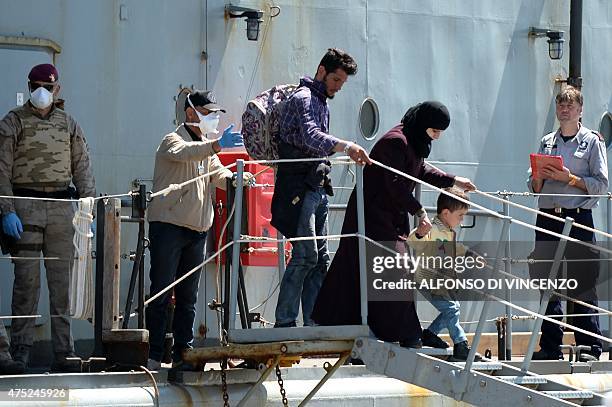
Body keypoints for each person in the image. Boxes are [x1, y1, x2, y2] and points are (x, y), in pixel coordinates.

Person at [312, 101, 475, 347]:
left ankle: (375, 329)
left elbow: (419, 170)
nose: (437, 137)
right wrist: (419, 211)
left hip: (389, 217)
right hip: (371, 215)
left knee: (373, 268)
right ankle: (404, 333)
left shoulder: (413, 140)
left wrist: (454, 181)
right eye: (435, 131)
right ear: (424, 125)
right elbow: (395, 183)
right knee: (394, 265)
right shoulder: (395, 141)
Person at [0, 63, 95, 372]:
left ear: (58, 89)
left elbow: (82, 169)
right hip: (24, 207)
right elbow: (1, 169)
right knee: (26, 284)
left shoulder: (69, 124)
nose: (42, 92)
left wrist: (86, 210)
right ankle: (20, 353)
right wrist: (6, 210)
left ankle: (64, 353)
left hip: (60, 210)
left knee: (61, 286)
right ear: (28, 87)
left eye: (48, 87)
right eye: (36, 86)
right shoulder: (13, 123)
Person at [146, 90, 249, 370]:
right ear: (191, 113)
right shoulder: (173, 140)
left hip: (197, 229)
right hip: (168, 227)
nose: (213, 119)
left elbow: (218, 174)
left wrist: (238, 177)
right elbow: (186, 154)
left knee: (189, 298)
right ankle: (155, 354)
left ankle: (184, 353)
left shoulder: (206, 146)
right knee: (162, 291)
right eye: (208, 113)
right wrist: (216, 146)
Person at [271, 48, 371, 328]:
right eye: (336, 80)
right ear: (321, 71)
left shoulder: (320, 101)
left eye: (342, 82)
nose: (338, 87)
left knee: (320, 258)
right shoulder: (303, 98)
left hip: (315, 186)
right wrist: (346, 146)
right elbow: (311, 136)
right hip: (298, 187)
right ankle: (284, 323)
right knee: (306, 254)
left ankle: (315, 322)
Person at [528, 86, 608, 361]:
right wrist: (538, 177)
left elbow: (601, 185)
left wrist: (569, 179)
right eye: (561, 104)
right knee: (547, 282)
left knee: (583, 281)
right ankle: (551, 347)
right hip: (548, 217)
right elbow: (533, 185)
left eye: (570, 105)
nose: (564, 109)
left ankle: (590, 347)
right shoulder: (547, 142)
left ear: (580, 110)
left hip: (577, 219)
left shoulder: (592, 142)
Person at [408, 188, 480, 361]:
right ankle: (460, 344)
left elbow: (454, 248)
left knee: (452, 308)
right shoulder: (433, 230)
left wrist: (469, 253)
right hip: (428, 280)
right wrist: (419, 233)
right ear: (446, 213)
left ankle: (430, 334)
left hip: (441, 281)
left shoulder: (446, 230)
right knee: (452, 308)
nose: (462, 219)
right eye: (460, 215)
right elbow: (413, 241)